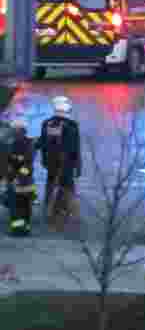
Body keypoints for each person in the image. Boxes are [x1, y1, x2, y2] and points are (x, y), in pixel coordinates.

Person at [36, 96, 81, 230]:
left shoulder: (46, 123)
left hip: (51, 164)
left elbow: (43, 143)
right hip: (67, 164)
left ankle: (50, 213)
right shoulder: (72, 125)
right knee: (67, 189)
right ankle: (68, 215)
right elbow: (75, 148)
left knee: (51, 186)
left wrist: (44, 161)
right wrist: (78, 166)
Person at [7, 118, 36, 236]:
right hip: (25, 179)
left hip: (20, 180)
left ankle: (19, 230)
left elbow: (27, 163)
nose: (13, 131)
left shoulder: (20, 143)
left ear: (20, 130)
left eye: (15, 129)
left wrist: (18, 178)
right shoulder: (21, 143)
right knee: (24, 205)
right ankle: (24, 228)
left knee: (18, 205)